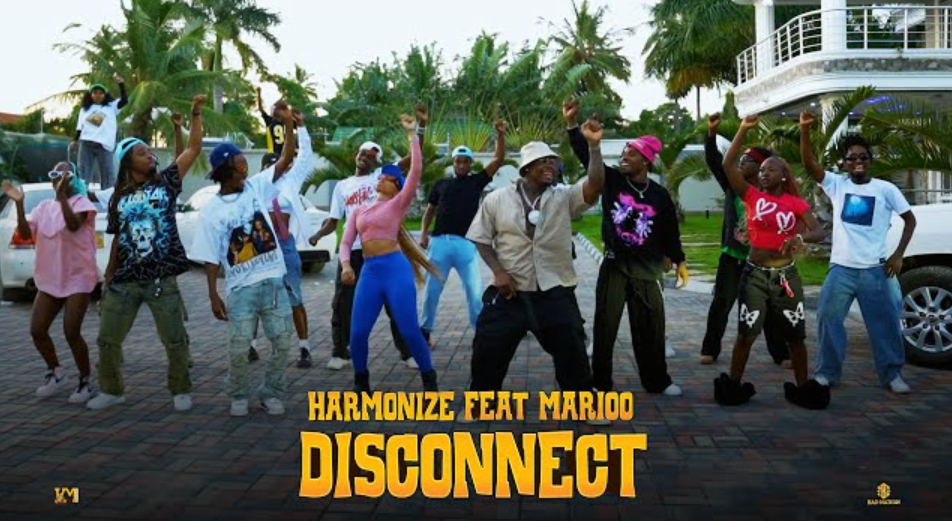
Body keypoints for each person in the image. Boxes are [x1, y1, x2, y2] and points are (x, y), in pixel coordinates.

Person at [464, 119, 606, 417]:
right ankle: (481, 405)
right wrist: (498, 272)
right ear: (526, 168)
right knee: (488, 350)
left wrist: (594, 146)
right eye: (543, 161)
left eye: (553, 161)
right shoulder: (497, 199)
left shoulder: (564, 196)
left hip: (554, 291)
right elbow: (481, 238)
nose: (550, 165)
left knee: (573, 352)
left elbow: (594, 186)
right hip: (510, 293)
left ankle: (583, 406)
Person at [86, 95, 206, 412]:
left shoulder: (166, 182)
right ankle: (112, 390)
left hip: (161, 279)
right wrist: (109, 276)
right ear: (127, 161)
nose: (150, 155)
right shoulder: (117, 198)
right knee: (107, 339)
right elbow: (118, 238)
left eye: (150, 151)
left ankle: (180, 389)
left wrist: (195, 113)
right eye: (142, 152)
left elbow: (193, 148)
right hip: (124, 280)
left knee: (175, 339)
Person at [191, 103, 311, 416]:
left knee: (282, 341)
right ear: (227, 170)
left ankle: (271, 392)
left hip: (273, 281)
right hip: (241, 289)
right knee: (239, 347)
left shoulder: (256, 187)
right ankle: (238, 394)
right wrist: (213, 294)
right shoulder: (211, 211)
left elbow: (286, 159)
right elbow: (210, 258)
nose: (246, 166)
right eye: (241, 163)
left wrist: (288, 124)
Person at [564, 102, 688, 397]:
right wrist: (575, 129)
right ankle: (601, 383)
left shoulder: (659, 195)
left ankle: (657, 380)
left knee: (651, 328)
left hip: (648, 269)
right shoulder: (612, 181)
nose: (624, 157)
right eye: (623, 153)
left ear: (645, 161)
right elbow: (586, 157)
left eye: (631, 154)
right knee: (605, 327)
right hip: (615, 265)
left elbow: (669, 230)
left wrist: (679, 260)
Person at [714, 115, 829, 409]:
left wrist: (800, 238)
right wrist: (743, 129)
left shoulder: (795, 203)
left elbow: (818, 231)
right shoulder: (751, 196)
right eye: (762, 169)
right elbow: (727, 164)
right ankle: (733, 385)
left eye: (771, 169)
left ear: (784, 175)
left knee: (796, 336)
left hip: (786, 278)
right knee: (746, 333)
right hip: (754, 276)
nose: (764, 173)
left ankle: (803, 388)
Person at [800, 111, 917, 394]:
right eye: (851, 158)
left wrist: (898, 255)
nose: (857, 162)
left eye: (863, 157)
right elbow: (809, 164)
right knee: (828, 318)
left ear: (870, 161)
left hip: (876, 270)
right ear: (844, 163)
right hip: (841, 269)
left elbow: (910, 220)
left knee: (885, 325)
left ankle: (892, 375)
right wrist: (804, 129)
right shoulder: (837, 184)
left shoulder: (885, 189)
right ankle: (827, 373)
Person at [308, 105, 428, 370]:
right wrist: (318, 234)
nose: (366, 157)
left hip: (383, 252)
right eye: (363, 153)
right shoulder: (342, 186)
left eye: (372, 156)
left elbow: (414, 159)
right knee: (343, 304)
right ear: (356, 156)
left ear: (378, 163)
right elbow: (334, 221)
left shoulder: (381, 177)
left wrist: (419, 128)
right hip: (353, 252)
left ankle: (407, 352)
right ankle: (340, 352)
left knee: (395, 304)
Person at [340, 114, 440, 393]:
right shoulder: (360, 210)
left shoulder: (397, 204)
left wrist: (412, 134)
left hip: (395, 269)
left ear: (397, 188)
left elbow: (416, 170)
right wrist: (346, 265)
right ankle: (361, 383)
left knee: (409, 330)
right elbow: (346, 243)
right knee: (358, 333)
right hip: (370, 272)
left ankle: (429, 378)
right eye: (381, 176)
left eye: (389, 178)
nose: (383, 178)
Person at [700, 113, 790, 367]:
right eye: (741, 159)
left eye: (747, 160)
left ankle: (780, 353)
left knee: (770, 306)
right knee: (721, 303)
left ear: (761, 167)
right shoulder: (732, 185)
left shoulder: (771, 193)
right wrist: (711, 133)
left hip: (762, 260)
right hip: (733, 256)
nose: (741, 162)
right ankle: (710, 349)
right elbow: (714, 160)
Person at [3, 165, 98, 403]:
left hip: (78, 277)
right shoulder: (44, 208)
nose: (59, 179)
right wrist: (19, 204)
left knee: (71, 331)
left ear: (74, 180)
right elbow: (26, 234)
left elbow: (73, 225)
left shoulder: (82, 203)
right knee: (37, 329)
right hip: (50, 278)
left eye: (66, 175)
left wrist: (62, 197)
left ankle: (86, 381)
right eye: (55, 174)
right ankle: (56, 372)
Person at [418, 120, 507, 344]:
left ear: (470, 164)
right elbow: (430, 211)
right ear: (453, 162)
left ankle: (480, 333)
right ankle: (425, 331)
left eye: (465, 161)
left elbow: (498, 159)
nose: (461, 164)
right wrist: (423, 234)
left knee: (474, 292)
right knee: (431, 291)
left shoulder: (476, 181)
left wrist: (500, 135)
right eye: (458, 160)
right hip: (439, 244)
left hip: (466, 245)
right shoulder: (440, 184)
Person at [72, 76, 128, 189]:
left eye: (101, 93)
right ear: (90, 95)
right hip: (87, 144)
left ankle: (108, 198)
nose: (98, 95)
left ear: (105, 95)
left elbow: (124, 100)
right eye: (95, 93)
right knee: (83, 174)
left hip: (104, 145)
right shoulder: (84, 109)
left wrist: (121, 84)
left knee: (108, 174)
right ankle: (81, 196)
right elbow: (79, 127)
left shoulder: (111, 106)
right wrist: (74, 140)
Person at [257, 87, 292, 156]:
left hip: (273, 152)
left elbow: (260, 108)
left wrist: (258, 93)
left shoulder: (269, 120)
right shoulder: (284, 121)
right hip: (284, 152)